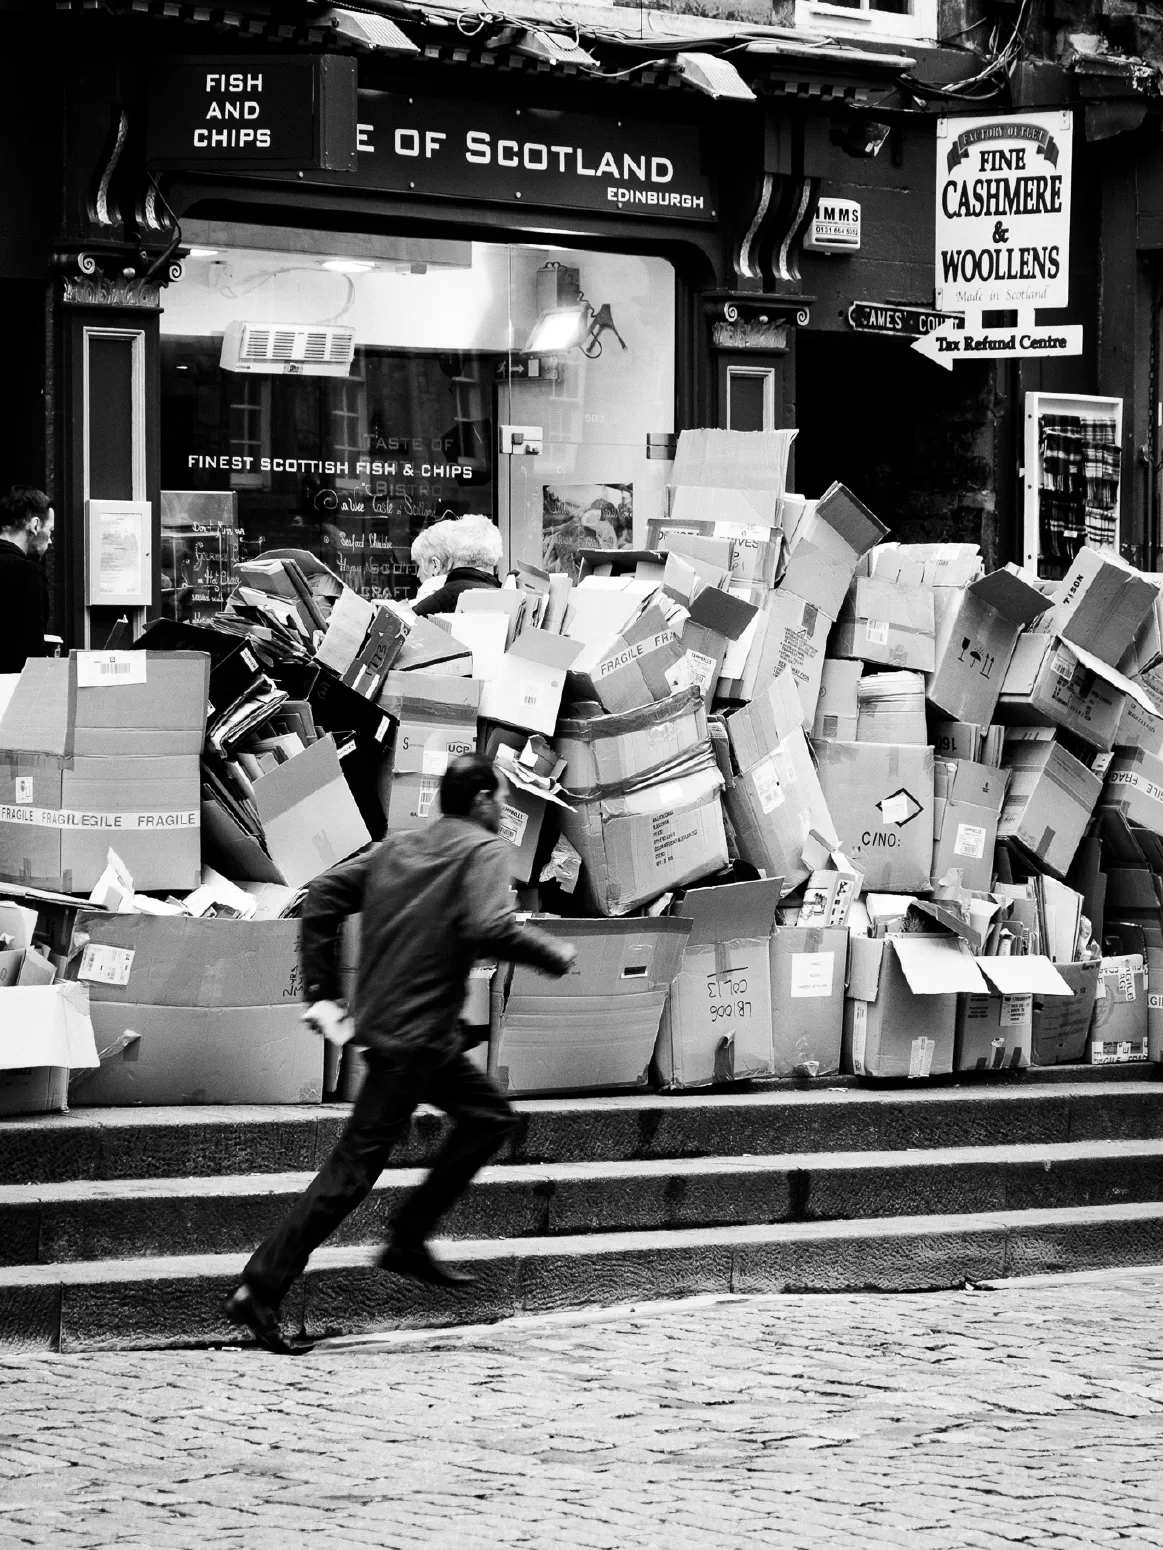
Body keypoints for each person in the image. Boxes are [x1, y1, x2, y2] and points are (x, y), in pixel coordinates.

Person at [224, 753, 576, 1355]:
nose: (501, 811)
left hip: (404, 1034)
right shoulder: (483, 851)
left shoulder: (397, 849)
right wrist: (551, 952)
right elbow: (491, 927)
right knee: (354, 1170)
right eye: (498, 800)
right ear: (485, 802)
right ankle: (262, 1286)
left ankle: (408, 1236)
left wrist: (323, 992)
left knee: (488, 1116)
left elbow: (322, 898)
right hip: (416, 1042)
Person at [0, 487, 54, 674]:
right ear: (35, 525)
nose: (50, 541)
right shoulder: (27, 573)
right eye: (51, 531)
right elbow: (29, 656)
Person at [411, 513, 503, 617]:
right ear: (496, 562)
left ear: (452, 557)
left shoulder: (430, 605)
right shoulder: (510, 603)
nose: (417, 574)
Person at [410, 520, 457, 604]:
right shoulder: (480, 593)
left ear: (435, 565)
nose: (418, 575)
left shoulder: (426, 599)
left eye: (419, 566)